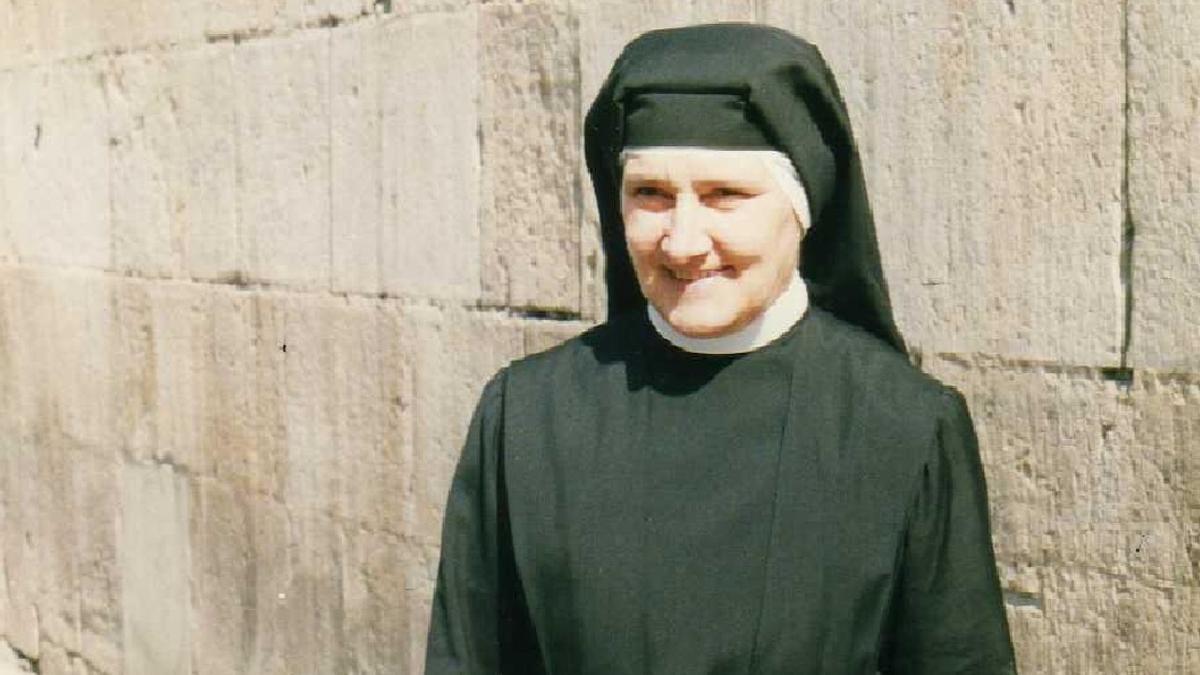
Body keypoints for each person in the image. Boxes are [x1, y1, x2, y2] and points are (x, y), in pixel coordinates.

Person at [425, 23, 1016, 674]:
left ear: (805, 204)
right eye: (650, 194)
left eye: (723, 195)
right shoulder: (526, 417)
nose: (681, 241)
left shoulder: (903, 427)